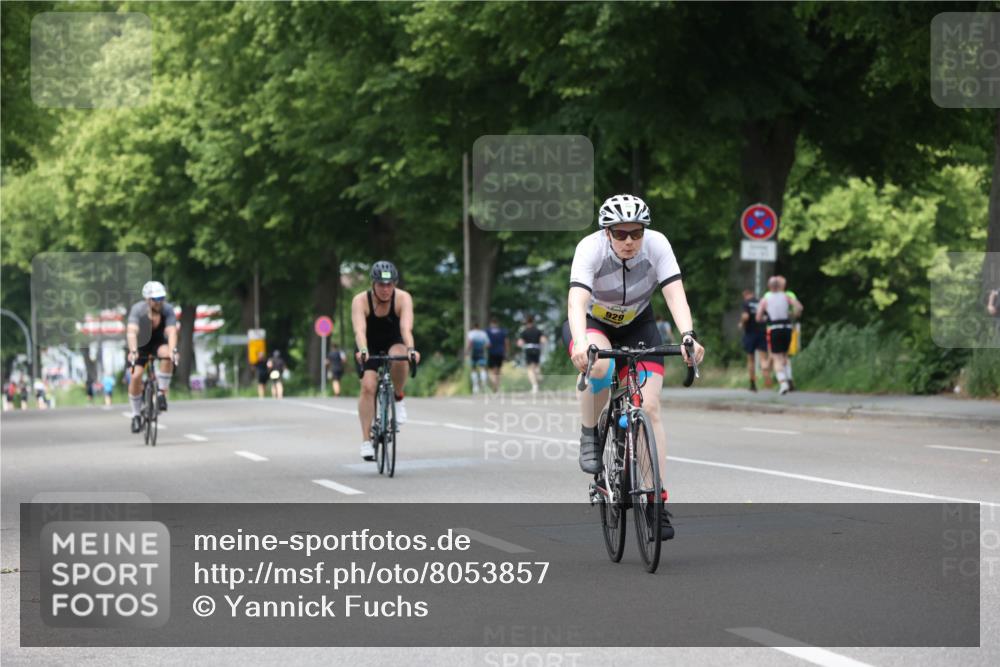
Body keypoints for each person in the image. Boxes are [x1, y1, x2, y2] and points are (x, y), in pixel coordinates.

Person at [564, 193, 705, 541]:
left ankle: (655, 500)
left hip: (639, 323)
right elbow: (577, 298)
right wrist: (581, 341)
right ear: (606, 233)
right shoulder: (590, 248)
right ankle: (589, 435)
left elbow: (674, 293)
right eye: (620, 234)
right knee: (599, 366)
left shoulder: (657, 245)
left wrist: (688, 336)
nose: (629, 241)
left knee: (651, 407)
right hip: (593, 321)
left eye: (636, 233)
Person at [352, 260, 420, 461]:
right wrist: (363, 350)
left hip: (394, 340)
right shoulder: (360, 300)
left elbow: (406, 329)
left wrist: (411, 350)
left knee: (400, 357)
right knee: (368, 386)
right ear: (373, 284)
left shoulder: (402, 298)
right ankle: (366, 440)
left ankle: (398, 397)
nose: (385, 289)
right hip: (368, 344)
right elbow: (359, 330)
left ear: (395, 284)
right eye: (381, 284)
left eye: (390, 284)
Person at [126, 281, 179, 433]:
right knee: (136, 376)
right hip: (141, 344)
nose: (159, 301)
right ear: (147, 299)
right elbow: (131, 331)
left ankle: (162, 393)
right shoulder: (138, 310)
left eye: (162, 298)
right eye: (156, 299)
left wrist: (173, 349)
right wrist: (134, 350)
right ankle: (136, 415)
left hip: (158, 343)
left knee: (168, 354)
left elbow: (171, 332)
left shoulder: (167, 309)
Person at [757, 275, 804, 395]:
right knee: (785, 355)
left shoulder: (765, 299)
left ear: (769, 286)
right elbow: (799, 307)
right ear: (780, 286)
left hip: (774, 328)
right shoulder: (786, 296)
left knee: (776, 357)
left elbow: (758, 317)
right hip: (787, 328)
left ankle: (783, 383)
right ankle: (789, 378)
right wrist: (793, 315)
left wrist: (765, 318)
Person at [738, 288, 768, 391]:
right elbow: (766, 317)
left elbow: (745, 316)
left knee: (751, 360)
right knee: (763, 359)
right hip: (762, 333)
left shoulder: (746, 303)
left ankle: (753, 384)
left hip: (750, 334)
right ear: (753, 294)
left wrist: (741, 323)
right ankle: (767, 383)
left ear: (745, 295)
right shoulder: (761, 302)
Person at [517, 315, 548, 394]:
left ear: (526, 322)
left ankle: (534, 386)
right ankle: (539, 376)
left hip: (528, 350)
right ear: (533, 322)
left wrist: (520, 344)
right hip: (537, 349)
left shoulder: (524, 331)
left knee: (530, 369)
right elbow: (543, 340)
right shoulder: (538, 330)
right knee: (536, 366)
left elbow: (520, 343)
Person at [485, 316, 509, 392]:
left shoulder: (487, 331)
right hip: (500, 352)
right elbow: (506, 342)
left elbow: (485, 343)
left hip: (492, 352)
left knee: (492, 370)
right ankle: (497, 385)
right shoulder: (502, 331)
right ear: (497, 323)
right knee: (498, 370)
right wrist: (506, 351)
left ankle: (495, 384)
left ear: (491, 323)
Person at [466, 321, 489, 394]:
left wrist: (467, 351)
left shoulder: (471, 333)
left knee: (473, 369)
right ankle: (484, 384)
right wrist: (482, 346)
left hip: (474, 352)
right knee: (482, 368)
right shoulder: (483, 333)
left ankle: (475, 386)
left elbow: (470, 343)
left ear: (473, 327)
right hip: (481, 352)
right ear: (479, 327)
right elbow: (488, 344)